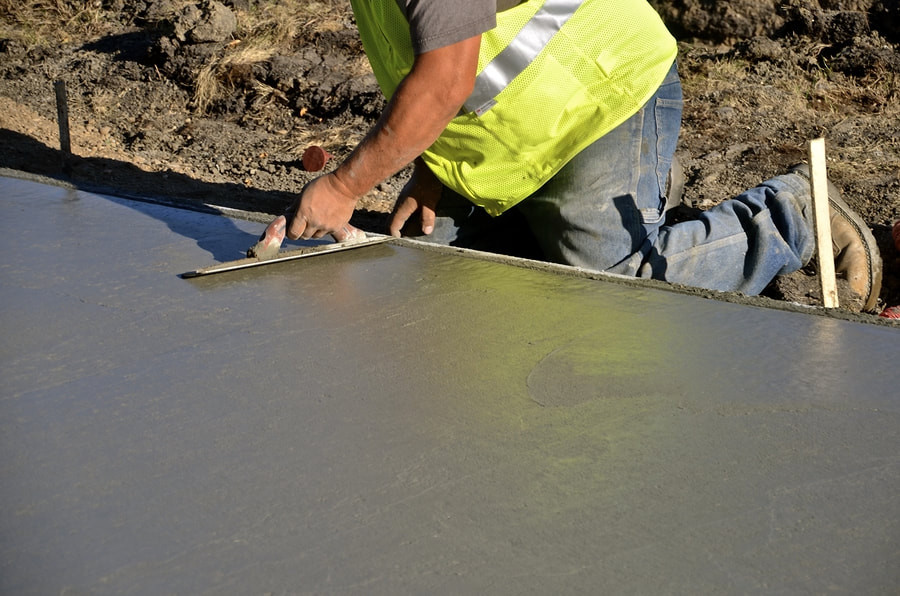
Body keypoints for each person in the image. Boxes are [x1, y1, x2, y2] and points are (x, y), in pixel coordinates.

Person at [258, 0, 882, 312]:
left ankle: (792, 215)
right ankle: (640, 189)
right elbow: (450, 54)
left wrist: (343, 186)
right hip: (524, 137)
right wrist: (429, 166)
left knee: (608, 290)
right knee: (433, 272)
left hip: (603, 98)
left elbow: (445, 81)